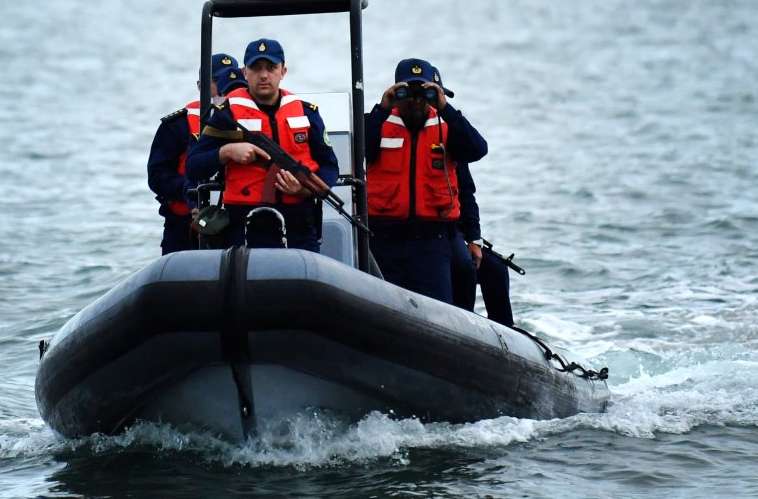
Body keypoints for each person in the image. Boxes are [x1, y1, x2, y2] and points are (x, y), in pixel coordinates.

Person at [185, 38, 340, 253]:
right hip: (244, 228)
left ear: (283, 71)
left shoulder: (307, 113)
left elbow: (330, 167)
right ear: (244, 72)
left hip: (298, 226)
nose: (264, 75)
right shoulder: (226, 114)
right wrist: (227, 152)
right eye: (256, 68)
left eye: (271, 67)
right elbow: (193, 166)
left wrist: (305, 190)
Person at [364, 58, 487, 302]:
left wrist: (445, 107)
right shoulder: (379, 122)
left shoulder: (446, 126)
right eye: (407, 92)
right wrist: (382, 108)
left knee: (439, 307)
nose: (416, 99)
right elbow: (358, 152)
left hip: (431, 240)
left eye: (423, 92)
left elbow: (477, 150)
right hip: (384, 239)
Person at [146, 52, 246, 254]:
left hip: (237, 221)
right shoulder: (178, 125)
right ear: (201, 86)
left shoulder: (253, 120)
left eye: (232, 80)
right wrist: (196, 196)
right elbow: (157, 177)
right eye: (216, 81)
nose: (224, 87)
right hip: (184, 227)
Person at [449, 162, 514, 325]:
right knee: (463, 266)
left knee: (496, 267)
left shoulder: (450, 146)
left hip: (449, 231)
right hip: (411, 232)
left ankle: (506, 334)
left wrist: (474, 238)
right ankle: (461, 325)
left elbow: (466, 194)